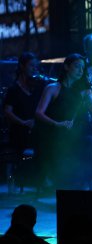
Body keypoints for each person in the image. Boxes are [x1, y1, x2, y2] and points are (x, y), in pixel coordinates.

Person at [34, 53, 92, 190]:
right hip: (55, 134)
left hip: (75, 134)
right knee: (86, 145)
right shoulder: (53, 88)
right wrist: (57, 124)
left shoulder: (83, 91)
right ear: (66, 67)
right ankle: (89, 185)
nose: (81, 71)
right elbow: (39, 113)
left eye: (83, 68)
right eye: (77, 67)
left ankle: (87, 183)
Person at [2, 52, 47, 193]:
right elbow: (7, 111)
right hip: (19, 129)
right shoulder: (14, 89)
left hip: (34, 127)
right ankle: (16, 177)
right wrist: (23, 122)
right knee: (32, 143)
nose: (35, 69)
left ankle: (41, 179)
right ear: (22, 66)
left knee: (47, 141)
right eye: (32, 66)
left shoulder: (37, 87)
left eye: (36, 66)